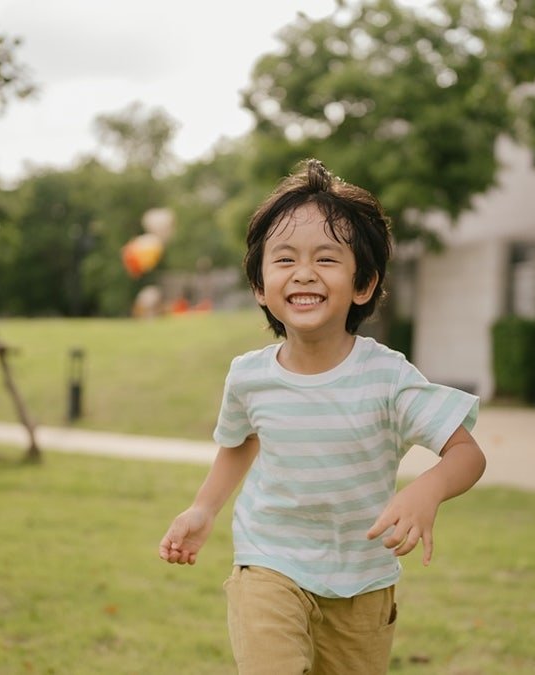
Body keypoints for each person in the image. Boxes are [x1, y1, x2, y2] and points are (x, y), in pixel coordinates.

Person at [158, 159, 487, 675]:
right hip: (269, 562)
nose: (304, 272)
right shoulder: (249, 377)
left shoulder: (387, 376)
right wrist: (204, 509)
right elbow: (242, 440)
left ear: (363, 284)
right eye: (284, 258)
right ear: (260, 287)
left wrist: (428, 489)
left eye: (327, 259)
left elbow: (466, 453)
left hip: (362, 581)